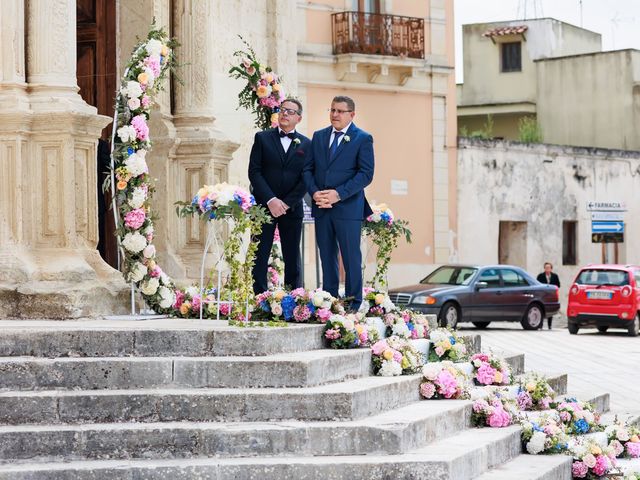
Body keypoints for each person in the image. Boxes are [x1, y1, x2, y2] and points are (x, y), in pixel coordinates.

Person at [303, 95, 374, 311]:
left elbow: (366, 174)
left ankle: (352, 304)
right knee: (326, 255)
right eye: (332, 110)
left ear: (351, 114)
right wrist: (315, 193)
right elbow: (307, 169)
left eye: (340, 111)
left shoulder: (362, 138)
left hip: (348, 208)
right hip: (322, 207)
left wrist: (338, 194)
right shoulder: (319, 136)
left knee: (351, 257)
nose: (335, 115)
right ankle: (329, 301)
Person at [248, 98, 311, 294]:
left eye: (290, 111)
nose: (285, 113)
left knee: (292, 255)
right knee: (259, 253)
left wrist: (285, 203)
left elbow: (306, 178)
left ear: (298, 118)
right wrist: (271, 200)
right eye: (282, 109)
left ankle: (294, 298)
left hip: (292, 208)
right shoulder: (262, 138)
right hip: (264, 206)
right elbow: (254, 172)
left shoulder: (307, 144)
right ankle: (259, 297)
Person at [537, 262, 561, 329]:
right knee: (541, 310)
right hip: (542, 295)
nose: (547, 269)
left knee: (550, 310)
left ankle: (549, 326)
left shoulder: (555, 276)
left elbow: (558, 285)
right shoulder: (540, 276)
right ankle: (540, 325)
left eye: (549, 268)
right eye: (546, 268)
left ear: (551, 269)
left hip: (551, 295)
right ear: (544, 268)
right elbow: (537, 285)